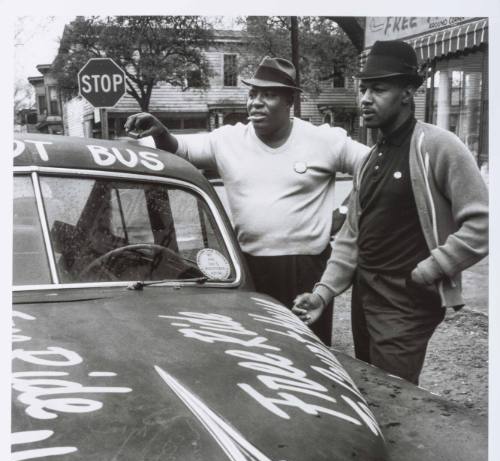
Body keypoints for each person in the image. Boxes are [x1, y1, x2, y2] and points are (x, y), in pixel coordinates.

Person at [124, 56, 369, 345]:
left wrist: (344, 211)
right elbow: (181, 149)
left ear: (289, 101)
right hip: (249, 266)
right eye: (253, 93)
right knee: (257, 349)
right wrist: (161, 131)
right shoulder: (228, 140)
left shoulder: (323, 140)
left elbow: (374, 166)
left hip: (305, 268)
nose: (256, 102)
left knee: (306, 350)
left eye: (269, 94)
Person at [293, 40, 488, 384]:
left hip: (406, 303)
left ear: (408, 91)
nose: (365, 98)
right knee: (371, 390)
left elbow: (483, 223)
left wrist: (432, 269)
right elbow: (351, 237)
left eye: (378, 89)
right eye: (363, 88)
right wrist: (323, 293)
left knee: (397, 400)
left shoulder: (438, 146)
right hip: (365, 296)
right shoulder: (368, 160)